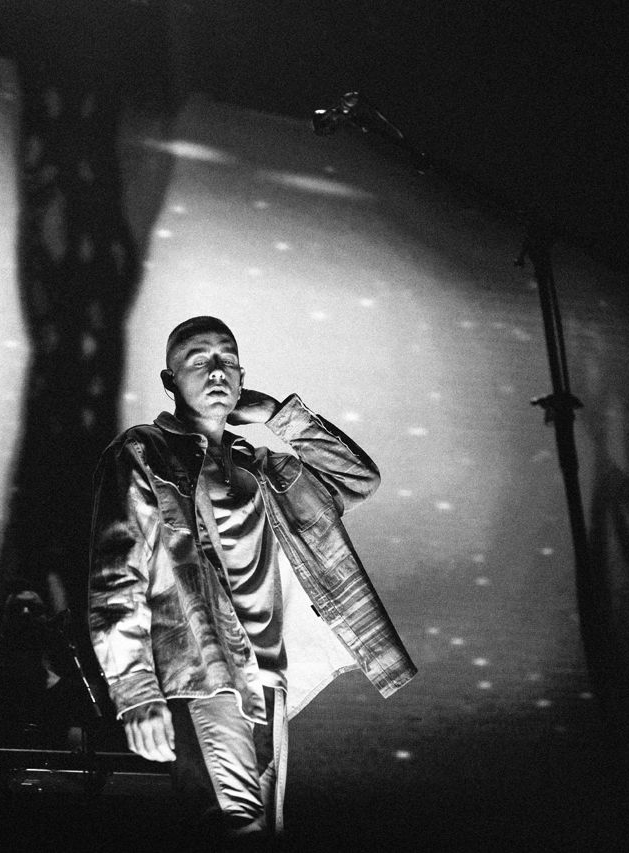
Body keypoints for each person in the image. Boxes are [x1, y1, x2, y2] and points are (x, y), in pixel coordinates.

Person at [87, 316, 416, 842]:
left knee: (258, 831)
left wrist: (275, 416)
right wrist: (135, 693)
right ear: (169, 380)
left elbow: (359, 478)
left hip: (270, 682)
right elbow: (116, 578)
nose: (216, 370)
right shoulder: (143, 453)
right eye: (199, 360)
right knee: (236, 824)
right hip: (205, 672)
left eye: (228, 360)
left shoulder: (263, 469)